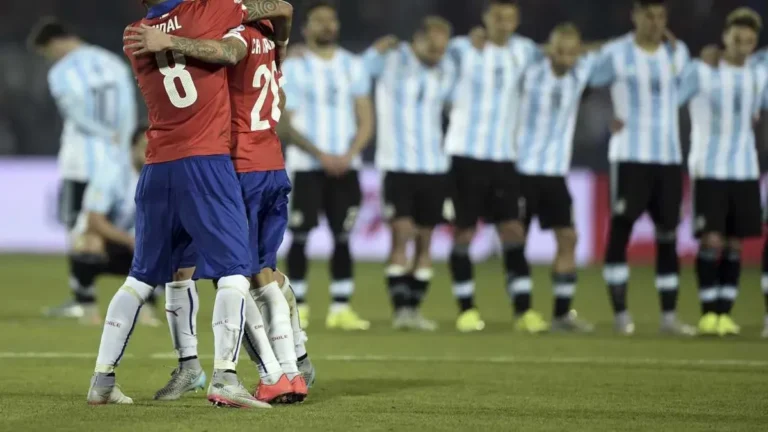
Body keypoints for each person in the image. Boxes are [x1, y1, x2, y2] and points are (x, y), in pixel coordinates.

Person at [87, 0, 293, 408]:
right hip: (205, 163)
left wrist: (165, 37)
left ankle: (103, 380)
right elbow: (241, 42)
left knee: (141, 278)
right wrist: (276, 49)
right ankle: (226, 378)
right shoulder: (211, 10)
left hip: (156, 166)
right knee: (236, 270)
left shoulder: (134, 35)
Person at [589, 0, 695, 336]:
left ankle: (669, 317)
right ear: (634, 17)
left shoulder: (679, 54)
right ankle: (621, 315)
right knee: (621, 230)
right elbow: (586, 78)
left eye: (661, 15)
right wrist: (608, 115)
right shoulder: (616, 52)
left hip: (667, 157)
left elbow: (688, 92)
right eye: (648, 15)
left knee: (668, 235)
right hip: (629, 155)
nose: (655, 22)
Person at [445, 0, 547, 333]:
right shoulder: (461, 48)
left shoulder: (527, 51)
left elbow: (564, 51)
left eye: (509, 17)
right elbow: (427, 52)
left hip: (504, 157)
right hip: (465, 154)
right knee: (465, 232)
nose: (503, 22)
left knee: (513, 231)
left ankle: (524, 310)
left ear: (517, 21)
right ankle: (466, 309)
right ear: (485, 19)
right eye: (497, 16)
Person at [28, 18, 137, 322]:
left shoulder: (61, 71)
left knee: (78, 226)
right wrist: (122, 142)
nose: (50, 57)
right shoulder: (113, 62)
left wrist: (101, 133)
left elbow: (74, 112)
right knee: (118, 224)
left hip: (80, 160)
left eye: (47, 52)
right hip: (117, 157)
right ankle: (137, 299)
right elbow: (129, 107)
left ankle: (83, 297)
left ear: (54, 43)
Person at [281, 1, 375, 331]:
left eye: (330, 20)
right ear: (305, 28)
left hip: (347, 166)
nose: (326, 26)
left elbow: (366, 119)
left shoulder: (354, 66)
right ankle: (300, 306)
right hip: (306, 165)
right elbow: (283, 122)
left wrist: (349, 154)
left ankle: (341, 307)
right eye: (318, 21)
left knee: (343, 236)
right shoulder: (292, 68)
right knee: (301, 235)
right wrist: (321, 154)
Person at [678, 8, 768, 337]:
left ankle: (725, 314)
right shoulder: (701, 71)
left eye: (749, 39)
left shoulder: (759, 73)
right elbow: (670, 97)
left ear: (755, 42)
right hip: (709, 168)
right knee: (711, 240)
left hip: (745, 168)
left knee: (734, 243)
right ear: (725, 38)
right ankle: (707, 312)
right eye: (737, 37)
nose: (743, 44)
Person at [362, 18, 455, 331]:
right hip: (397, 165)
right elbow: (358, 72)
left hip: (435, 166)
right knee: (402, 233)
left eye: (442, 49)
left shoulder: (446, 69)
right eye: (432, 47)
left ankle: (414, 308)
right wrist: (376, 48)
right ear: (418, 39)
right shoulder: (391, 60)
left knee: (426, 241)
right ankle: (400, 308)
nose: (437, 54)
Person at [516, 23, 603, 333]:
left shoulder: (581, 74)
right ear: (549, 50)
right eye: (559, 50)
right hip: (522, 170)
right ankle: (523, 312)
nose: (566, 57)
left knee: (568, 238)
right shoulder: (529, 72)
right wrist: (542, 48)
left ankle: (562, 315)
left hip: (555, 174)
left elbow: (607, 50)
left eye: (572, 52)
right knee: (516, 240)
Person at [69, 126, 161, 327]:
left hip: (139, 244)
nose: (150, 153)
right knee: (88, 244)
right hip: (110, 241)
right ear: (133, 148)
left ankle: (146, 308)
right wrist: (129, 240)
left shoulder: (162, 175)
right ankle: (87, 307)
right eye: (145, 147)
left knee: (172, 245)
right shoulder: (112, 172)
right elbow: (95, 220)